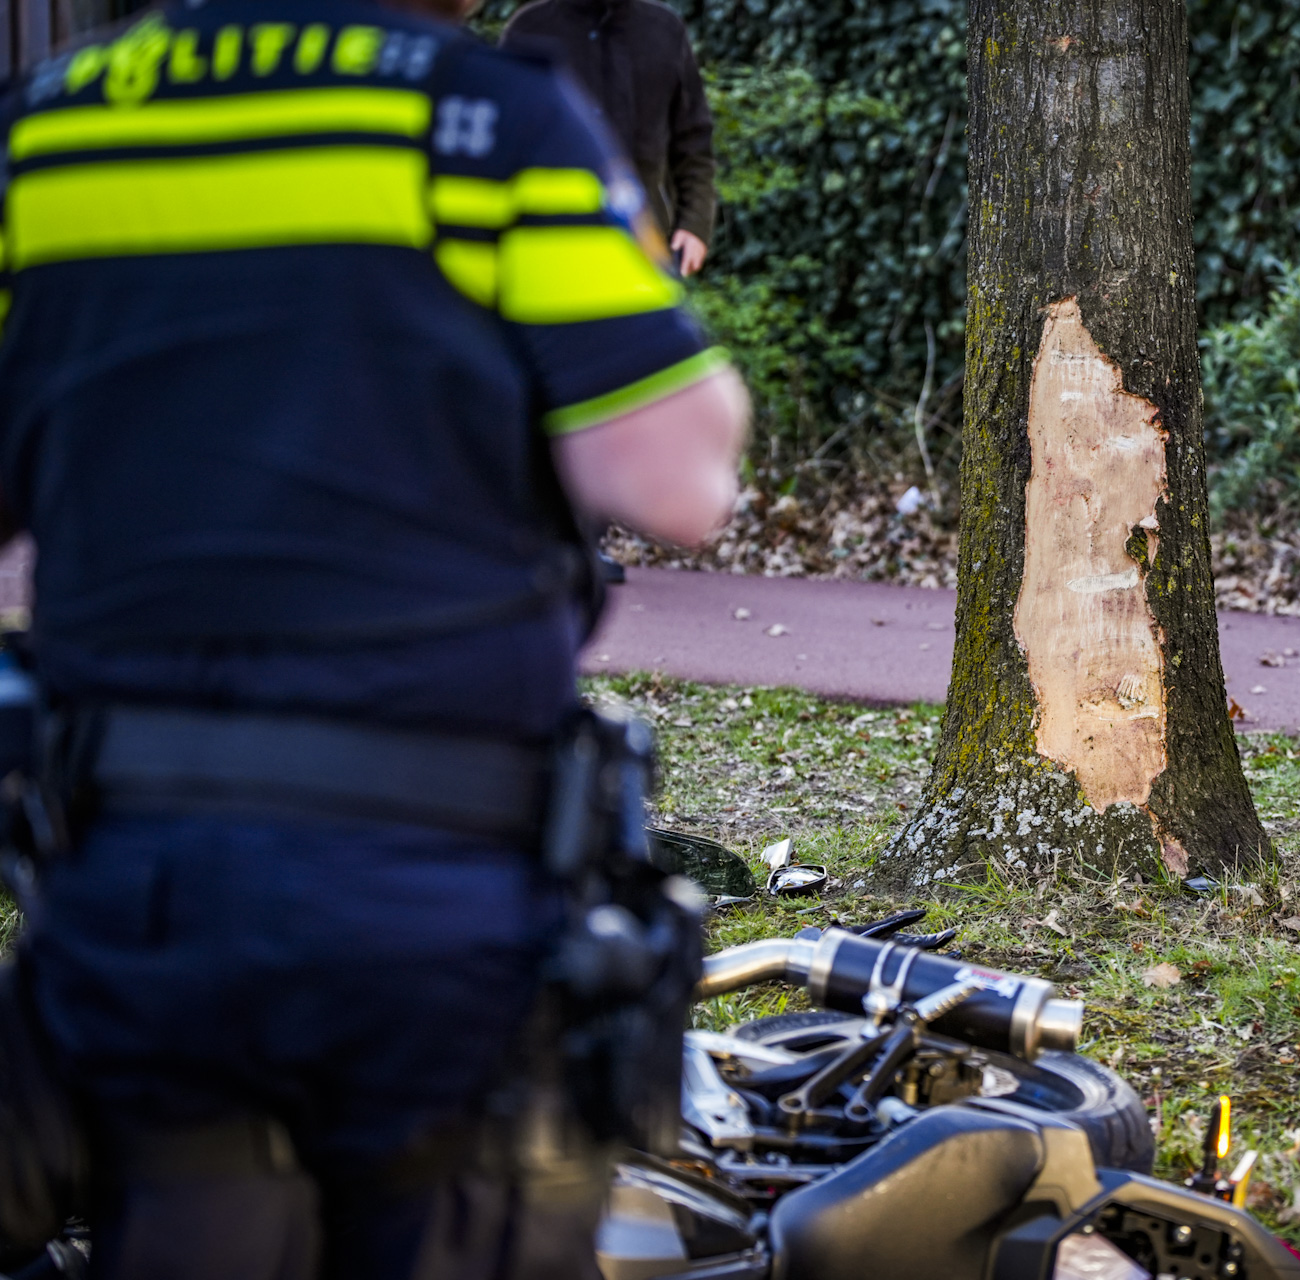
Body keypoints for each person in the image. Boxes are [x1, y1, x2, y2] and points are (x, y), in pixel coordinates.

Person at [0, 0, 749, 1270]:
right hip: (430, 906)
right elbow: (679, 479)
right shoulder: (486, 124)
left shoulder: (56, 133)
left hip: (139, 896)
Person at [501, 0, 716, 278]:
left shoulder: (665, 30)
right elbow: (502, 142)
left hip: (644, 251)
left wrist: (695, 225)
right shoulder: (529, 29)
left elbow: (694, 145)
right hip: (549, 250)